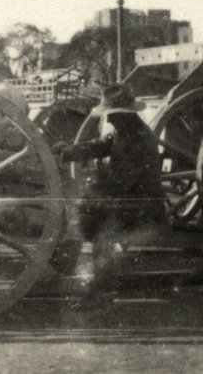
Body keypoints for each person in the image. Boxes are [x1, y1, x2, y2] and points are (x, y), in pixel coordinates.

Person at [55, 83, 166, 290]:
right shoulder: (124, 131)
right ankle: (62, 270)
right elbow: (101, 146)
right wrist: (69, 152)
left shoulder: (139, 138)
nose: (110, 118)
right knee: (81, 214)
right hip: (129, 199)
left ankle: (102, 285)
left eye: (114, 114)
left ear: (127, 114)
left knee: (97, 226)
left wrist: (93, 191)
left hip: (142, 206)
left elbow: (124, 180)